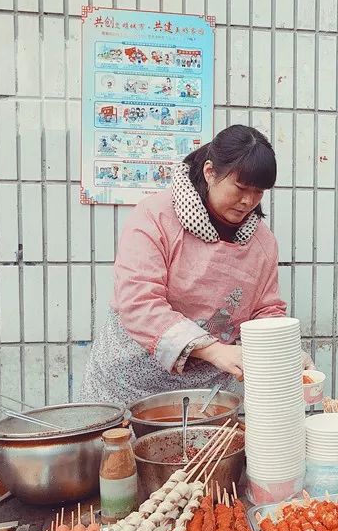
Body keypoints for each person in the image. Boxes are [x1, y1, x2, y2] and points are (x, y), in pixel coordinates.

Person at [80, 125, 310, 404]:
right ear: (210, 172)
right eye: (240, 188)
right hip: (128, 382)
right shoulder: (155, 217)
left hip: (208, 394)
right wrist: (212, 350)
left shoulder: (262, 242)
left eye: (259, 192)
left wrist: (283, 350)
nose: (248, 201)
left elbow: (266, 310)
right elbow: (138, 301)